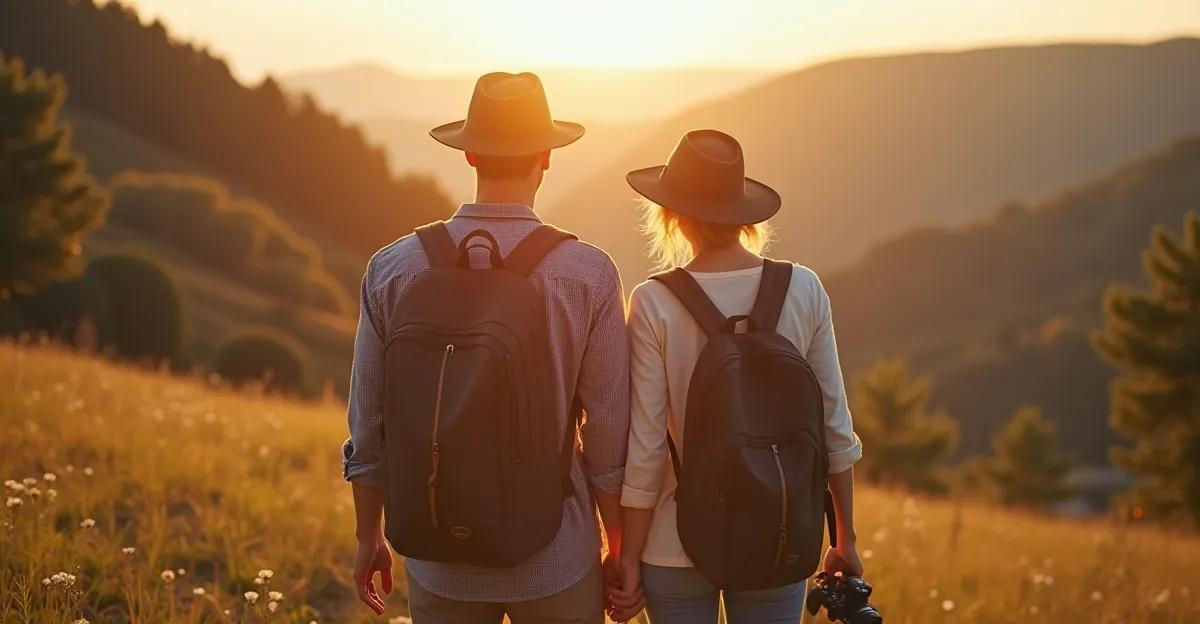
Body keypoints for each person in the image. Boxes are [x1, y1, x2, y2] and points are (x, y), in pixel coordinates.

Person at [342, 72, 632, 623]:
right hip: (555, 554)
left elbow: (368, 422)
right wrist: (620, 550)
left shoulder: (393, 267)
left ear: (469, 155)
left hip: (435, 553)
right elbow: (609, 432)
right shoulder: (587, 273)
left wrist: (368, 535)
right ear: (546, 156)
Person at [614, 129, 865, 623]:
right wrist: (846, 538)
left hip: (674, 537)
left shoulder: (654, 301)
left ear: (672, 215)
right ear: (743, 213)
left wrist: (627, 557)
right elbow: (833, 428)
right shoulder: (804, 288)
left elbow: (645, 446)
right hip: (780, 529)